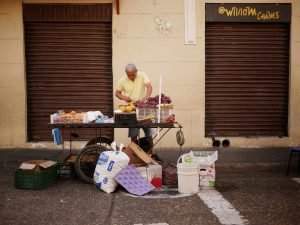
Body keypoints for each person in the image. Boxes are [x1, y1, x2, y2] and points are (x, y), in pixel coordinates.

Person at [115, 63, 153, 143]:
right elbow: (117, 93)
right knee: (133, 135)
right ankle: (134, 153)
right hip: (131, 110)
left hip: (143, 109)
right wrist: (125, 98)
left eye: (133, 75)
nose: (131, 77)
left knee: (149, 133)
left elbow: (149, 86)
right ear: (126, 73)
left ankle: (152, 152)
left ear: (136, 71)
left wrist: (146, 97)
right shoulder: (122, 80)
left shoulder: (142, 75)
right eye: (129, 75)